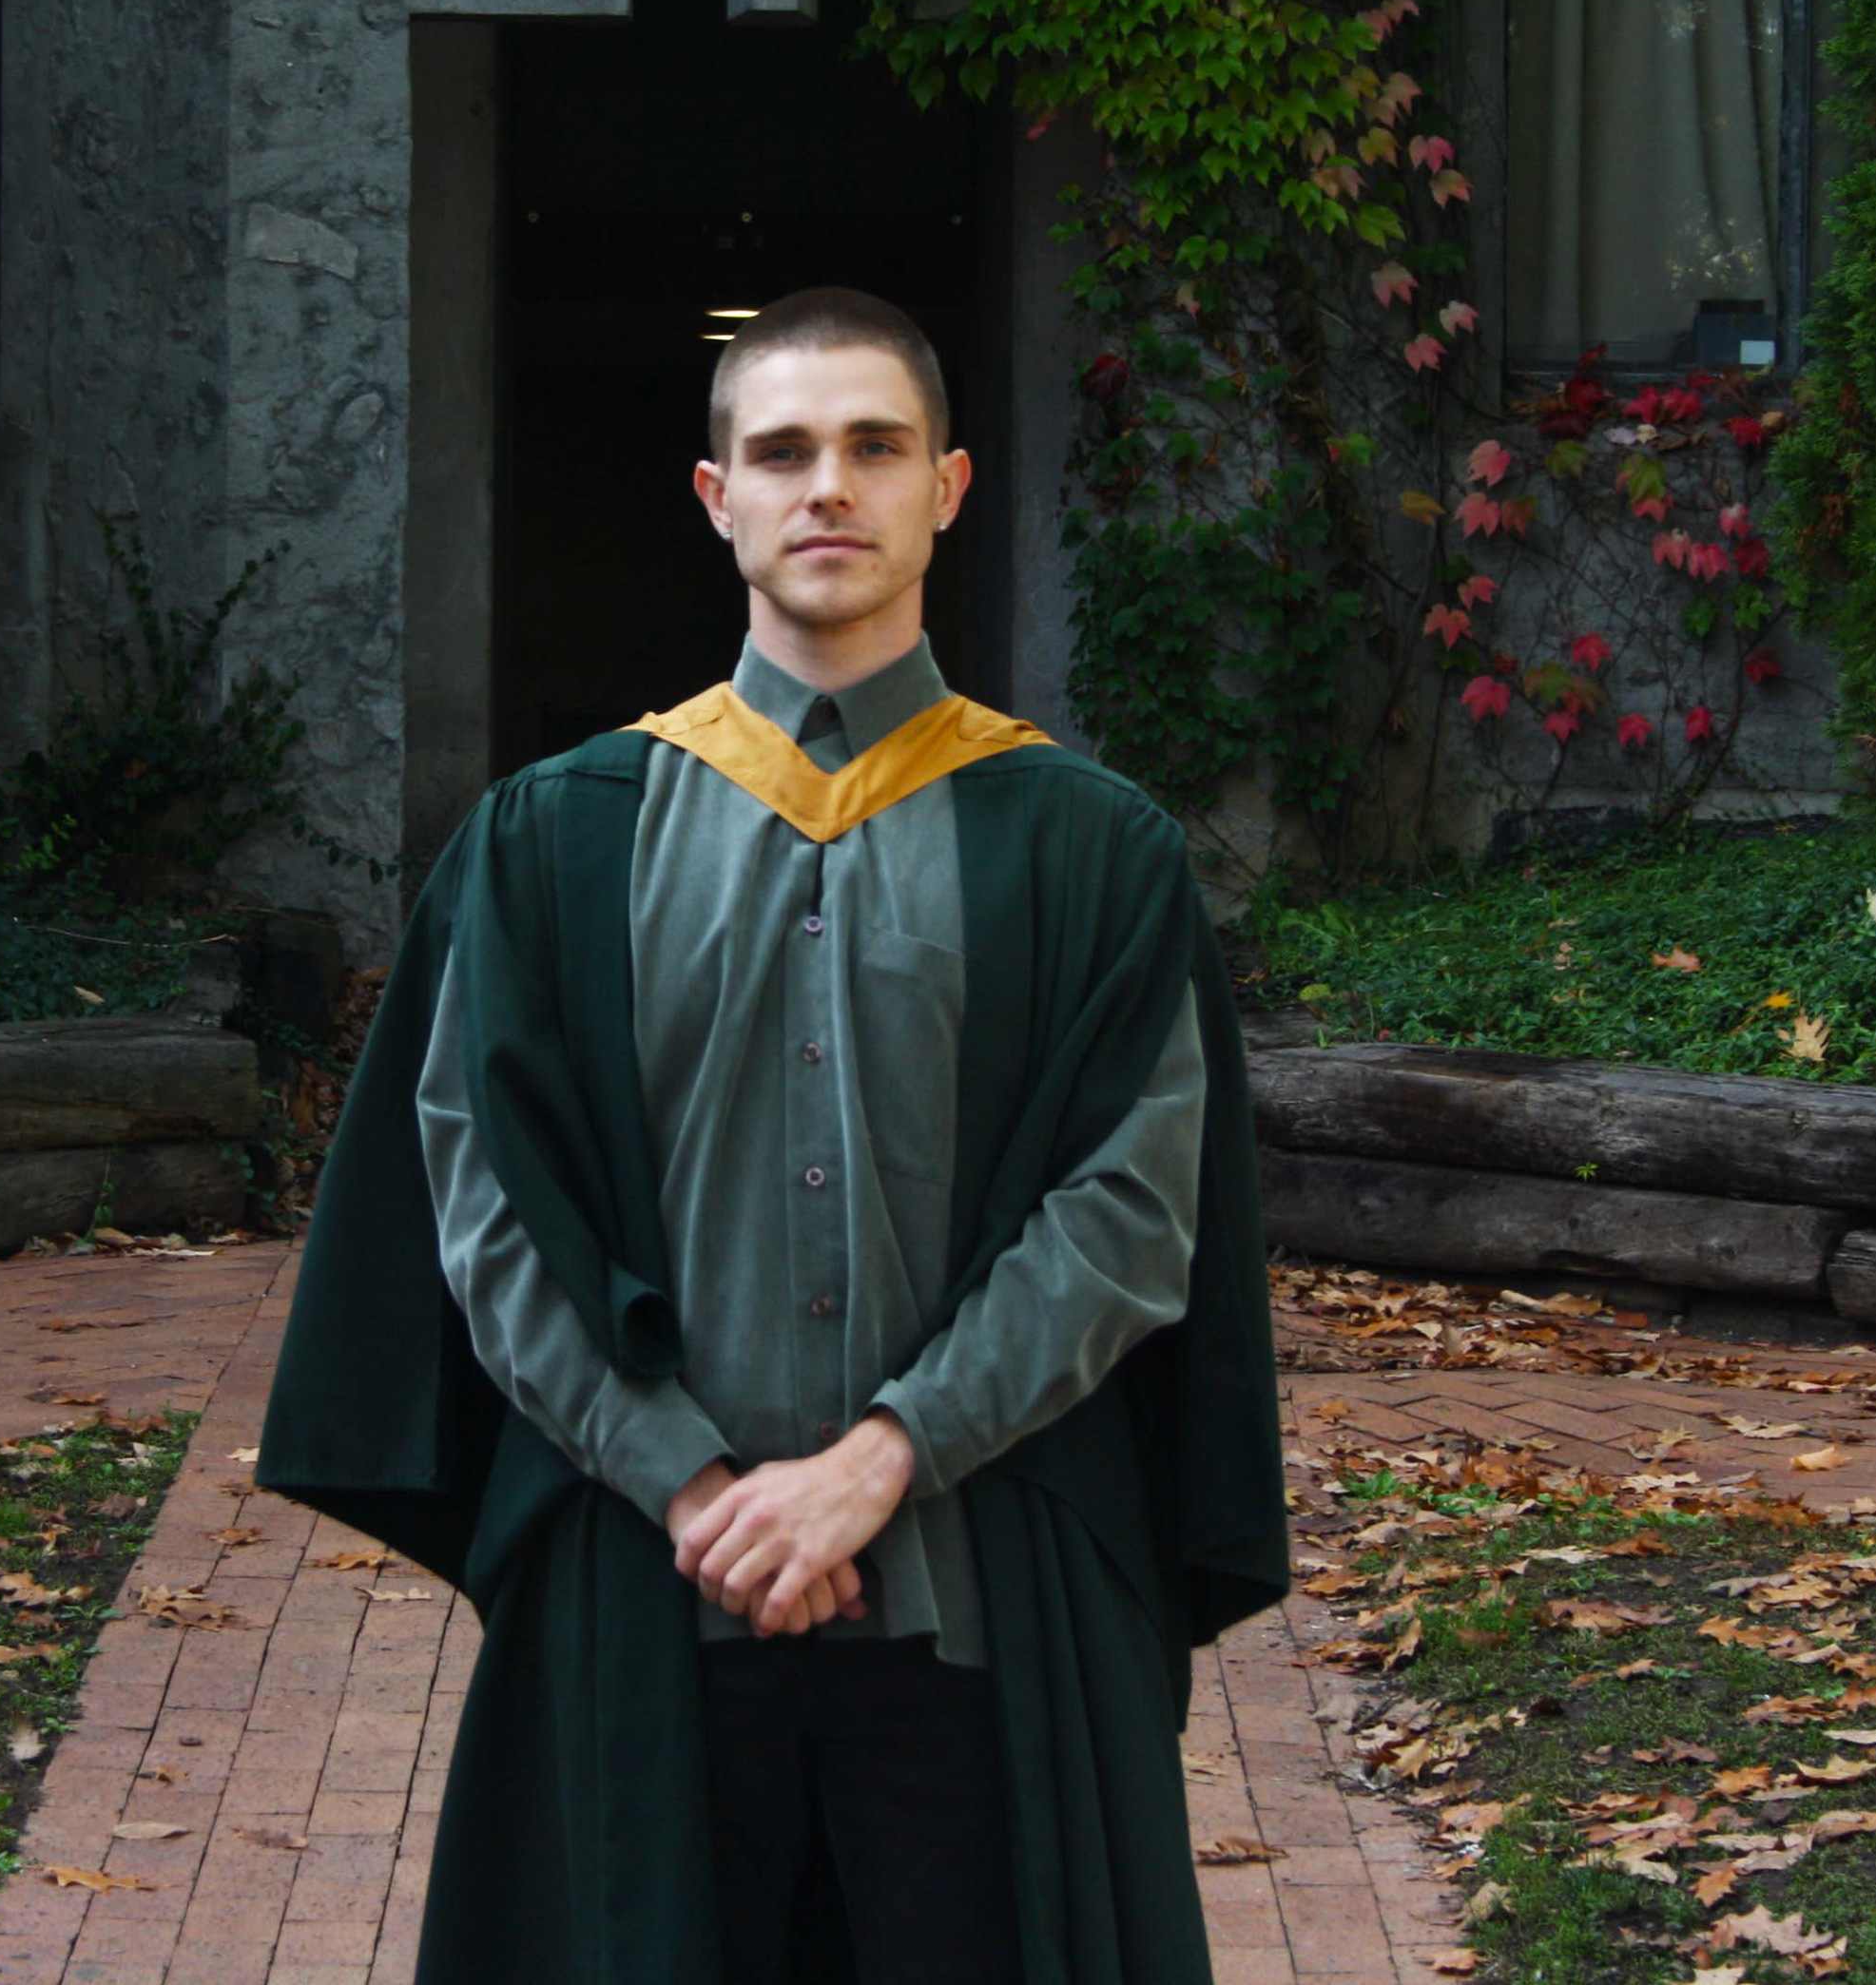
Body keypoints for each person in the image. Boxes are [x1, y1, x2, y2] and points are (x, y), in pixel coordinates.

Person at [259, 285, 1287, 1984]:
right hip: (646, 1589)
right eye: (784, 450)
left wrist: (880, 1462)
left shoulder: (1092, 853)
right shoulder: (552, 844)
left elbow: (1126, 1212)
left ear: (946, 489)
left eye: (874, 447)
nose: (829, 487)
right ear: (716, 494)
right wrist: (694, 1485)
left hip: (979, 1595)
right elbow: (485, 1207)